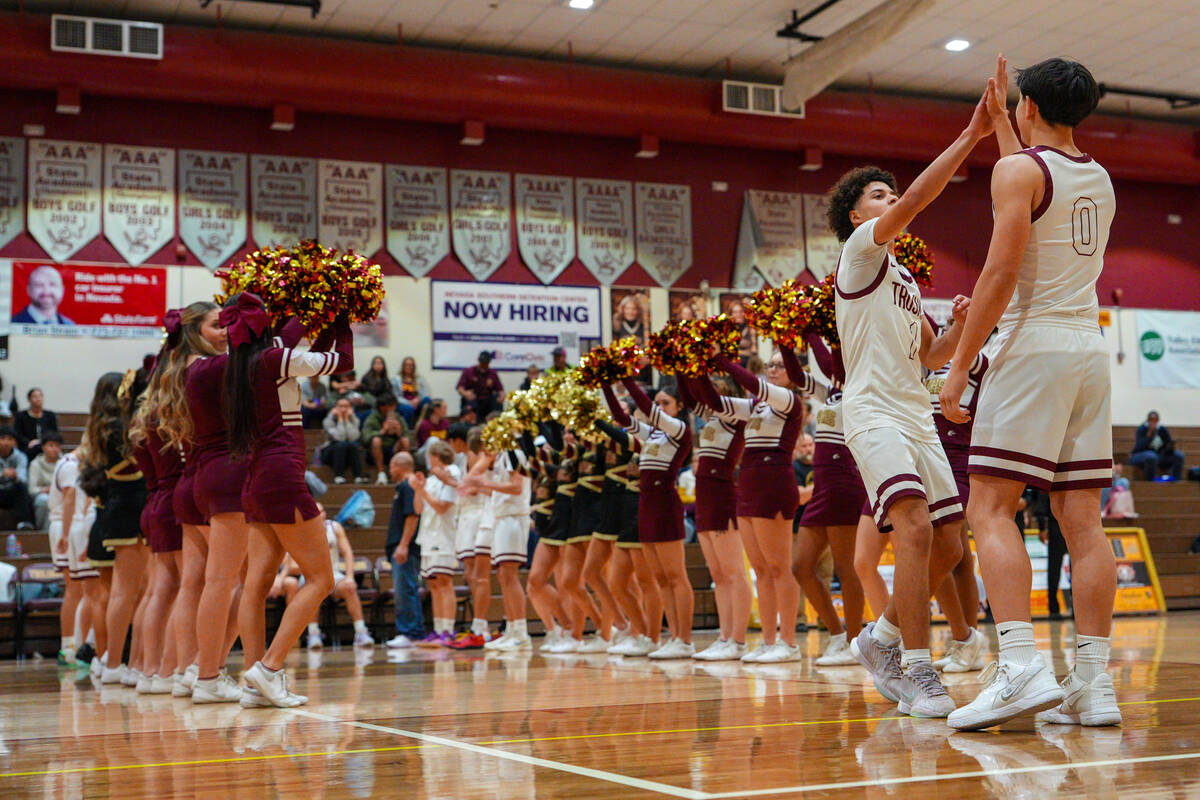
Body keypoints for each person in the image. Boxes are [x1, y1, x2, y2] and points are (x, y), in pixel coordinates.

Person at [940, 56, 1122, 730]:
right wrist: (1004, 127)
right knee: (1083, 520)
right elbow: (1040, 184)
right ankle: (1093, 685)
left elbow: (1000, 273)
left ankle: (1019, 667)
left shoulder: (1015, 171)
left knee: (989, 507)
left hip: (1033, 345)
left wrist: (958, 365)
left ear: (1031, 107)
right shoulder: (1098, 176)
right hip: (1087, 348)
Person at [830, 84, 990, 719]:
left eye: (892, 195)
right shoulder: (860, 253)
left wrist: (958, 323)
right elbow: (924, 195)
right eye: (879, 195)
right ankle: (921, 672)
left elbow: (931, 356)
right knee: (917, 529)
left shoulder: (901, 277)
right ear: (856, 216)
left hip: (915, 416)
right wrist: (970, 136)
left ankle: (882, 638)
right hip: (871, 412)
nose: (892, 201)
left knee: (952, 548)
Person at [222, 292, 353, 708]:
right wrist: (340, 319)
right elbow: (342, 362)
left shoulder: (240, 366)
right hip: (282, 474)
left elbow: (298, 339)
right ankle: (270, 667)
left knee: (256, 584)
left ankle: (254, 682)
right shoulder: (276, 360)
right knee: (322, 579)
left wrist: (321, 317)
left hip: (257, 475)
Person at [703, 346, 808, 663]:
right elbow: (715, 403)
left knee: (779, 566)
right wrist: (693, 366)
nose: (772, 369)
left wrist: (722, 360)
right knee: (761, 569)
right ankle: (768, 640)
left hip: (773, 483)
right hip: (748, 482)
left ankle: (788, 643)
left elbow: (754, 384)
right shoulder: (756, 407)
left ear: (792, 373)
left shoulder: (790, 402)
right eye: (769, 364)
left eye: (779, 365)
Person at [155, 300, 229, 699]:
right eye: (218, 326)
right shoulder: (207, 368)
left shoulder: (175, 368)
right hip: (207, 478)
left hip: (190, 480)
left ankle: (188, 669)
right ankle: (204, 669)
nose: (225, 332)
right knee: (227, 580)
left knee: (192, 584)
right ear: (194, 331)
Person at [785, 336, 867, 668]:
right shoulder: (831, 390)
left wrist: (819, 332)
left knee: (846, 569)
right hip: (823, 484)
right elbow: (795, 372)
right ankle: (836, 634)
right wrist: (788, 335)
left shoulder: (861, 386)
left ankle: (853, 642)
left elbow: (832, 357)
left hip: (845, 478)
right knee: (801, 566)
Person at [603, 378, 695, 659]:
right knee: (661, 578)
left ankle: (685, 640)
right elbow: (621, 418)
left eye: (666, 403)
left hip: (665, 503)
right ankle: (674, 637)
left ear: (679, 407)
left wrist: (627, 378)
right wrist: (607, 382)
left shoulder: (680, 430)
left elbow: (644, 408)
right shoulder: (652, 435)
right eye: (657, 403)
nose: (658, 408)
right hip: (646, 504)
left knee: (676, 576)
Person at [82, 371, 151, 686]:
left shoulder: (104, 424)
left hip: (121, 507)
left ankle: (116, 661)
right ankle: (113, 662)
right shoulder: (115, 428)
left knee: (126, 592)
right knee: (125, 592)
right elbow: (134, 464)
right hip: (127, 507)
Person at [678, 374, 751, 662]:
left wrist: (699, 369)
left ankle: (739, 639)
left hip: (723, 494)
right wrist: (679, 363)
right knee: (718, 575)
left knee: (734, 572)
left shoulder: (738, 416)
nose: (710, 399)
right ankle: (724, 637)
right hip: (704, 497)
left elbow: (708, 396)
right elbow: (688, 398)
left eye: (719, 392)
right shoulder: (710, 420)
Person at [297, 510, 375, 650]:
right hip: (310, 575)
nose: (319, 514)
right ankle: (313, 633)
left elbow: (347, 552)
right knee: (314, 590)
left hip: (333, 575)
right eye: (314, 512)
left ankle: (360, 632)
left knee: (349, 587)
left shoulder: (334, 527)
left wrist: (350, 577)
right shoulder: (300, 530)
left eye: (320, 511)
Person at [410, 440, 462, 647]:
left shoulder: (452, 473)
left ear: (436, 456)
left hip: (444, 535)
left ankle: (448, 630)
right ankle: (439, 629)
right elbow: (418, 509)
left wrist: (423, 492)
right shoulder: (432, 479)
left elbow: (442, 507)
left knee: (444, 582)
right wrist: (418, 489)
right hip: (428, 536)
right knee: (433, 584)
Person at [385, 451, 424, 649]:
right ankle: (412, 632)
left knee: (405, 589)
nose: (390, 471)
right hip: (403, 547)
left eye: (391, 466)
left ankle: (409, 632)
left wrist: (403, 545)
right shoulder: (404, 487)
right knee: (406, 588)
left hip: (406, 548)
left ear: (398, 466)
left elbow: (412, 516)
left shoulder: (409, 485)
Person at [363, 393, 410, 485]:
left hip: (394, 450)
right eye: (391, 406)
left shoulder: (399, 418)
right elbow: (365, 438)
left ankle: (401, 474)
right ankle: (381, 474)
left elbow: (409, 438)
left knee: (405, 441)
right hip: (376, 452)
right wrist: (381, 432)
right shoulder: (372, 418)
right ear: (382, 407)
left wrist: (399, 435)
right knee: (376, 441)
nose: (394, 409)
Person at [321, 397, 367, 484]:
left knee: (353, 446)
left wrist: (346, 419)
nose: (343, 409)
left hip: (348, 452)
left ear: (351, 408)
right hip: (330, 453)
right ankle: (338, 476)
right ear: (335, 408)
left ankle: (358, 477)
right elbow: (339, 438)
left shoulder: (355, 420)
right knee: (341, 445)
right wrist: (341, 420)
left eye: (346, 406)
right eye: (340, 406)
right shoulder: (327, 420)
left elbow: (353, 437)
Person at [1130, 411, 1184, 481]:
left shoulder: (1162, 430)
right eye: (1151, 420)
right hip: (1141, 455)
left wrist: (1170, 447)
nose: (1153, 423)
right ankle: (1150, 482)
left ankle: (1176, 480)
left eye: (1155, 420)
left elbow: (1167, 444)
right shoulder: (1142, 429)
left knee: (1179, 455)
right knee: (1151, 456)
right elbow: (1139, 446)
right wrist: (1149, 436)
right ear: (1148, 421)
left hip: (1159, 456)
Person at [0, 428, 34, 529]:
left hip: (12, 492)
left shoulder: (21, 457)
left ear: (14, 442)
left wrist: (16, 476)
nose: (6, 442)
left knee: (21, 487)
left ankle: (24, 523)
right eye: (3, 438)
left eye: (9, 439)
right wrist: (2, 474)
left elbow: (23, 478)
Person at [29, 431, 62, 530]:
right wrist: (48, 490)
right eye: (51, 445)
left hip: (62, 495)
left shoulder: (65, 463)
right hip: (43, 496)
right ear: (43, 447)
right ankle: (43, 533)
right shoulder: (35, 464)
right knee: (44, 500)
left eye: (57, 445)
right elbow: (32, 489)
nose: (54, 449)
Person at [457, 350, 504, 419]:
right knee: (470, 399)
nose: (484, 365)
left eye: (486, 363)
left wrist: (501, 397)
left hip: (488, 399)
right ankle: (472, 421)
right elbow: (460, 388)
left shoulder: (492, 373)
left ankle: (495, 421)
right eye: (482, 363)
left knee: (496, 398)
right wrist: (466, 393)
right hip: (474, 398)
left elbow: (500, 390)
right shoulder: (469, 371)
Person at [15, 387, 59, 460]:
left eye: (40, 396)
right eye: (35, 396)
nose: (38, 398)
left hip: (46, 445)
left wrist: (43, 441)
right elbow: (17, 434)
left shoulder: (50, 415)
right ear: (29, 399)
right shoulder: (21, 415)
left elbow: (54, 433)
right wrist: (29, 442)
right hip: (27, 446)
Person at [393, 357, 432, 426]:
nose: (409, 367)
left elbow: (425, 393)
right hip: (403, 404)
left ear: (414, 367)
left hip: (416, 404)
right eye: (407, 365)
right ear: (403, 366)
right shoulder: (396, 379)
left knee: (428, 400)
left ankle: (425, 426)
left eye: (411, 365)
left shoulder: (419, 379)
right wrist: (409, 402)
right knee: (408, 408)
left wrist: (418, 399)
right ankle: (408, 431)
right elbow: (396, 396)